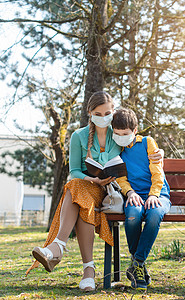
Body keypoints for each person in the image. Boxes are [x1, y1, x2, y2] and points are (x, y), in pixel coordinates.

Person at [26, 92, 164, 291]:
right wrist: (92, 179)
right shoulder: (78, 136)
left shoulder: (116, 133)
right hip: (89, 187)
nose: (103, 116)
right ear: (89, 113)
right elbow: (74, 171)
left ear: (113, 112)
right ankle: (85, 269)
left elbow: (137, 141)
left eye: (107, 112)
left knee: (76, 195)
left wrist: (160, 152)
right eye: (98, 113)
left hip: (111, 193)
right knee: (78, 191)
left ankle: (59, 250)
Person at [112, 108, 171, 290]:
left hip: (158, 193)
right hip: (133, 195)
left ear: (135, 131)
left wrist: (154, 194)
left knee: (154, 215)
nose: (121, 137)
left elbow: (157, 171)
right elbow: (120, 178)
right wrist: (129, 193)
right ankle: (139, 267)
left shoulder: (147, 142)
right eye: (117, 133)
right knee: (133, 215)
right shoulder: (116, 151)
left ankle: (137, 261)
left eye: (126, 134)